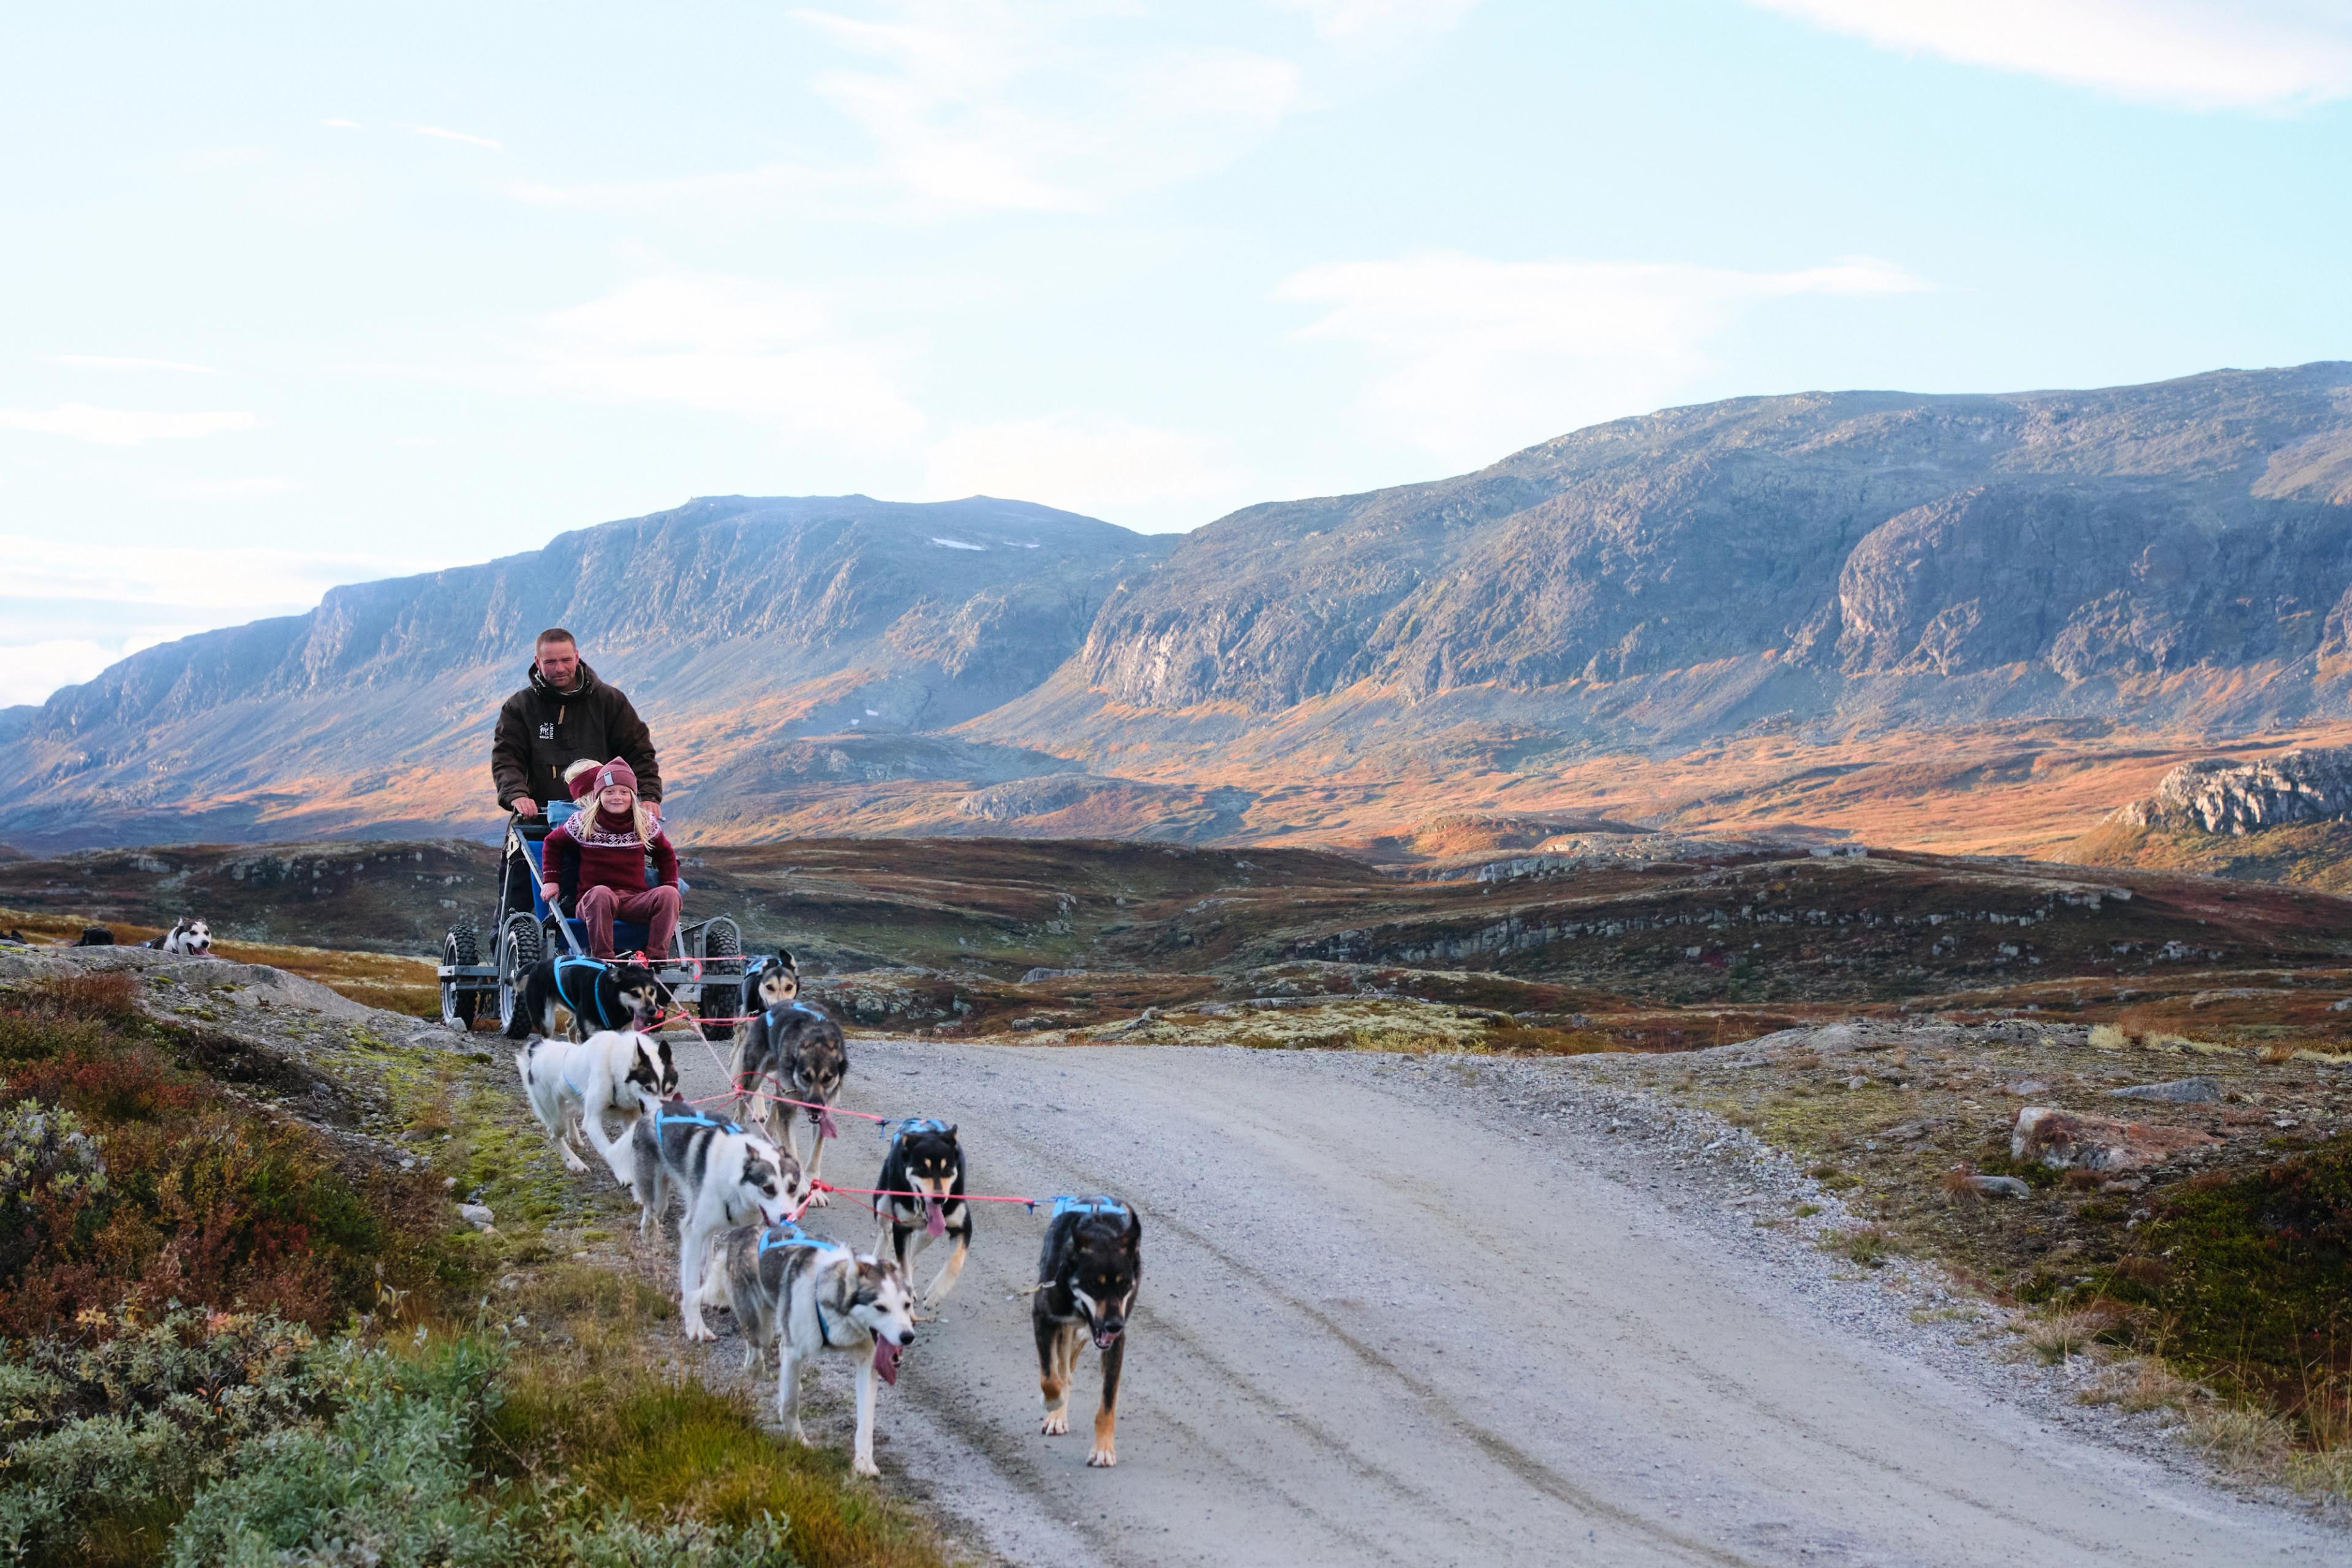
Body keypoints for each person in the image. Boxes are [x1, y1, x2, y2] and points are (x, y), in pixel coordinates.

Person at [491, 628, 662, 827]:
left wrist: (648, 796)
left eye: (566, 660)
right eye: (550, 662)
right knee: (522, 858)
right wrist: (517, 795)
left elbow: (638, 753)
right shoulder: (520, 706)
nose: (560, 668)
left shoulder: (610, 701)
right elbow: (506, 758)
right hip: (539, 820)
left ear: (577, 657)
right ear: (538, 662)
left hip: (606, 820)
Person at [540, 758, 681, 959]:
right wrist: (551, 881)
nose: (617, 797)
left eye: (624, 792)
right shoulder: (584, 822)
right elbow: (552, 842)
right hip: (592, 900)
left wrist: (670, 885)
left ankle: (655, 960)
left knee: (669, 894)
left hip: (633, 899)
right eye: (609, 792)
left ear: (632, 796)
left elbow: (666, 854)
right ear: (598, 795)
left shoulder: (643, 824)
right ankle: (604, 959)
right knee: (601, 894)